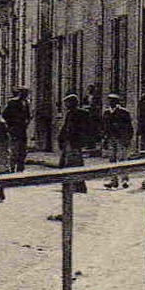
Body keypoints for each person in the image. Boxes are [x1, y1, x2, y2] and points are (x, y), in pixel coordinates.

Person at [49, 93, 89, 221]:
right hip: (68, 142)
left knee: (73, 164)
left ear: (72, 103)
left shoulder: (81, 114)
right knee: (68, 164)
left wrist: (80, 141)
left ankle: (77, 186)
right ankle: (75, 185)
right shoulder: (70, 114)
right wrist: (61, 138)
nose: (65, 105)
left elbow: (84, 129)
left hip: (74, 143)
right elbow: (66, 127)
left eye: (67, 103)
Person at [101, 93, 134, 187]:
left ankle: (124, 180)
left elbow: (129, 127)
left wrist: (128, 139)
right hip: (111, 138)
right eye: (110, 101)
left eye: (113, 101)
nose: (111, 103)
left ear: (117, 102)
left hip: (121, 139)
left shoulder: (124, 112)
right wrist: (105, 139)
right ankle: (113, 180)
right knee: (112, 160)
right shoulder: (106, 113)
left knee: (122, 159)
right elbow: (104, 127)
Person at [2, 88, 32, 171]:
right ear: (20, 93)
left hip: (22, 129)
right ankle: (11, 167)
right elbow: (5, 115)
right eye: (23, 93)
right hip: (14, 129)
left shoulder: (26, 103)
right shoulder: (12, 102)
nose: (25, 95)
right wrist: (11, 124)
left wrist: (27, 121)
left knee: (23, 149)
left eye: (26, 93)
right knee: (14, 149)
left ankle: (20, 167)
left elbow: (28, 115)